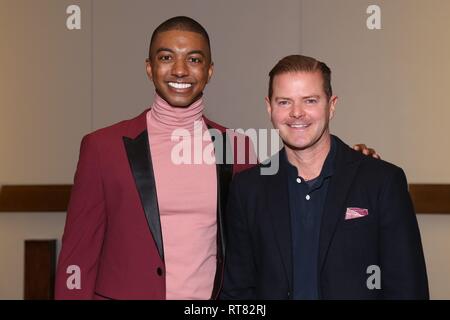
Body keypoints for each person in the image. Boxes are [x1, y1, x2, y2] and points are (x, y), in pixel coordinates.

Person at [55, 17, 378, 300]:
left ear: (209, 71)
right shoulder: (103, 148)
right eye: (166, 57)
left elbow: (272, 219)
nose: (180, 69)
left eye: (194, 59)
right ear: (149, 67)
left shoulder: (236, 147)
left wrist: (354, 163)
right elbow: (78, 257)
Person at [221, 54, 429, 300]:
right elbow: (238, 292)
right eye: (284, 102)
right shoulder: (248, 190)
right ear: (269, 107)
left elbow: (408, 289)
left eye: (310, 100)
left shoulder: (382, 182)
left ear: (332, 105)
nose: (297, 113)